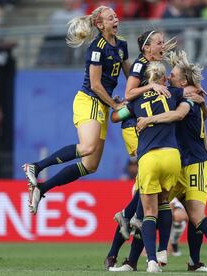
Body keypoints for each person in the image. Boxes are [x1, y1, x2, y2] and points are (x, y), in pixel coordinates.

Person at [136, 50, 207, 273]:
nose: (169, 77)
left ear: (184, 81)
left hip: (194, 163)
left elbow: (178, 116)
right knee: (150, 205)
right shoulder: (187, 98)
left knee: (194, 215)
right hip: (183, 162)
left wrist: (149, 120)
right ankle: (193, 262)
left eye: (173, 75)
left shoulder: (189, 101)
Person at [22, 6, 130, 215]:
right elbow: (96, 85)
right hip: (89, 100)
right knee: (88, 146)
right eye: (110, 18)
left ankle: (41, 188)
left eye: (116, 16)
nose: (115, 20)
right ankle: (36, 166)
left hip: (102, 105)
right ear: (99, 24)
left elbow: (130, 76)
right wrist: (116, 104)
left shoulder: (121, 45)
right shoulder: (97, 48)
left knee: (90, 165)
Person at [120, 61, 193, 273]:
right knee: (164, 202)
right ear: (162, 78)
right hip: (172, 155)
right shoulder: (174, 93)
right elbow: (191, 93)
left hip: (149, 158)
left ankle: (151, 261)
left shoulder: (135, 101)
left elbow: (117, 115)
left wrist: (119, 104)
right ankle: (163, 251)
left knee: (149, 212)